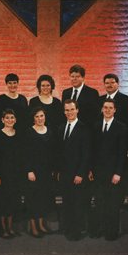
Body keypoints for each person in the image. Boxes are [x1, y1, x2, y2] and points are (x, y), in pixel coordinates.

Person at [88, 99, 127, 240]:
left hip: (113, 174)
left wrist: (118, 173)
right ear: (102, 109)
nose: (108, 110)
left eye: (111, 108)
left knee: (112, 204)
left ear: (115, 110)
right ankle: (100, 229)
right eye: (105, 107)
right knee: (100, 202)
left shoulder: (121, 127)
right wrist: (91, 169)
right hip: (98, 173)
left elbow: (122, 153)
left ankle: (112, 232)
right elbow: (92, 150)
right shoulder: (96, 126)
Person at [56, 99, 91, 241]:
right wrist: (58, 171)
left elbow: (86, 154)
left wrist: (80, 173)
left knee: (78, 203)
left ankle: (76, 231)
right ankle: (68, 227)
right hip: (64, 174)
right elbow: (59, 153)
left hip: (77, 174)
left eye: (72, 109)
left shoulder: (84, 129)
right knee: (67, 202)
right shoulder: (61, 128)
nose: (69, 112)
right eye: (67, 110)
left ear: (77, 110)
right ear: (64, 112)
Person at [0, 109, 24, 238]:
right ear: (2, 120)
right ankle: (3, 229)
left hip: (15, 174)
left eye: (12, 118)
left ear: (15, 120)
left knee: (13, 201)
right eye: (7, 118)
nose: (10, 120)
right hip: (2, 174)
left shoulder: (18, 134)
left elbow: (21, 155)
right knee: (3, 202)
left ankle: (10, 228)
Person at [24, 107, 56, 238]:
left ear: (45, 117)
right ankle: (33, 226)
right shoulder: (28, 132)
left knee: (43, 198)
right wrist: (29, 170)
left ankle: (41, 224)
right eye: (37, 116)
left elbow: (53, 152)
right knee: (33, 198)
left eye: (41, 116)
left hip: (46, 171)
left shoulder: (50, 131)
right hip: (33, 171)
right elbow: (25, 154)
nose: (39, 119)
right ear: (33, 118)